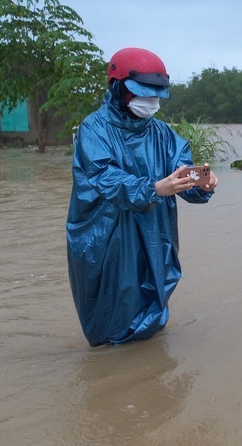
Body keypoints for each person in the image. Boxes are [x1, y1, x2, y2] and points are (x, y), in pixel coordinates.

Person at [66, 47, 218, 347]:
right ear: (118, 88)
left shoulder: (161, 134)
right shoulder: (93, 129)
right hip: (107, 236)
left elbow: (181, 171)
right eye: (142, 94)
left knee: (153, 304)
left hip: (154, 233)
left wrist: (201, 184)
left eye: (155, 96)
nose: (151, 103)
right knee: (112, 314)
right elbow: (103, 177)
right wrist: (152, 189)